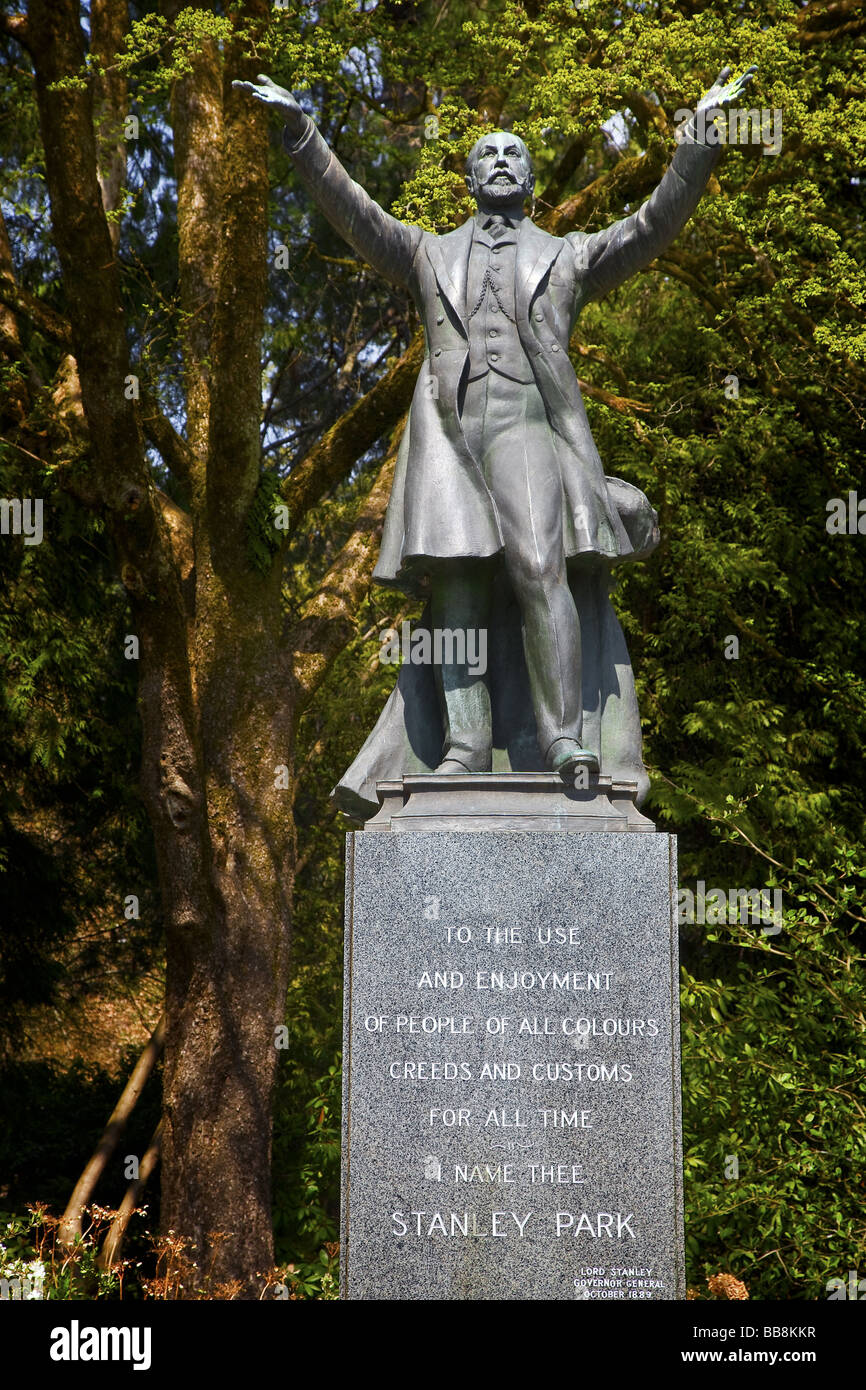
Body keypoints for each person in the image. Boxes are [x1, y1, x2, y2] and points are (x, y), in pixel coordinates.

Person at [236, 66, 755, 813]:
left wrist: (697, 141)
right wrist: (300, 133)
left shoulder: (568, 255)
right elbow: (355, 213)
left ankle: (563, 741)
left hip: (528, 429)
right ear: (470, 178)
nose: (502, 159)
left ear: (533, 179)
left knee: (541, 566)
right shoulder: (425, 252)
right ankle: (462, 749)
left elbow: (649, 227)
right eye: (488, 153)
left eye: (515, 151)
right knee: (457, 593)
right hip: (449, 436)